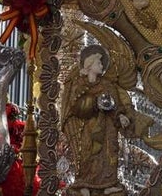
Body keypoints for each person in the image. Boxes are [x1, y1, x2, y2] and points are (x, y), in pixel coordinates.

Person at [62, 44, 149, 195]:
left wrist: (121, 116)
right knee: (87, 152)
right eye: (98, 63)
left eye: (102, 63)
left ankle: (109, 184)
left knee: (110, 152)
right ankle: (84, 184)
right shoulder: (79, 84)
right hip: (88, 126)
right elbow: (75, 106)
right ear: (89, 65)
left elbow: (116, 104)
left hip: (108, 126)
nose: (102, 66)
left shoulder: (107, 85)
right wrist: (94, 102)